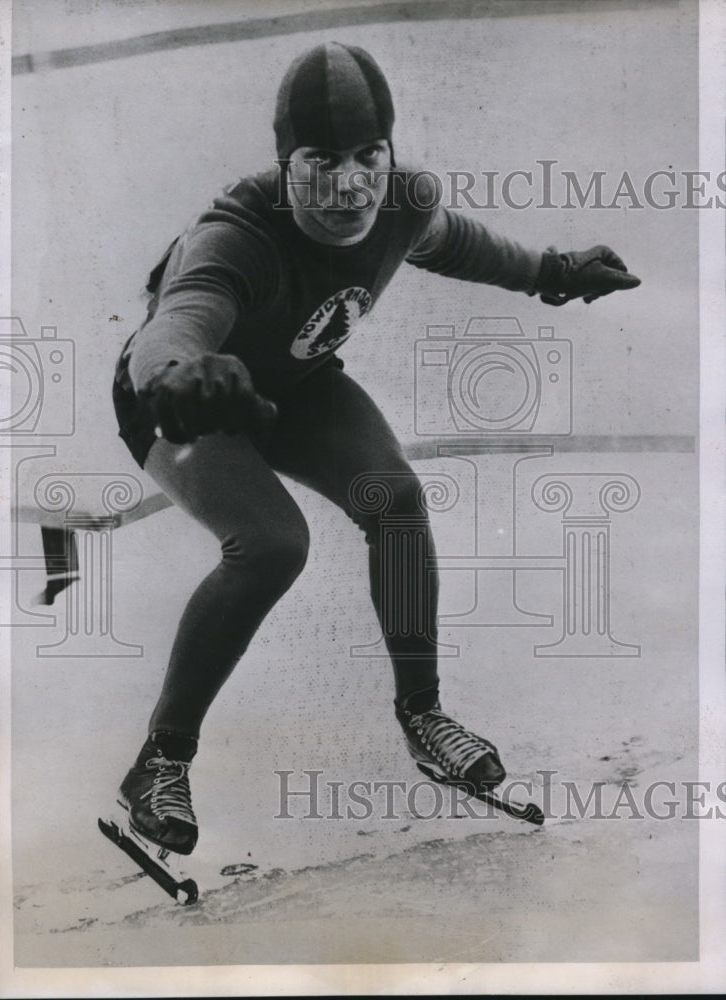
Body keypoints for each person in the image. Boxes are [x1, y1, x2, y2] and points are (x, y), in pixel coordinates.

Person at [112, 42, 640, 855]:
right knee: (271, 545)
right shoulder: (237, 235)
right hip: (186, 400)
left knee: (392, 498)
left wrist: (553, 271)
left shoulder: (401, 200)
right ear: (285, 164)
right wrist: (177, 377)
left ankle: (422, 715)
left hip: (293, 381)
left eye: (368, 157)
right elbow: (181, 314)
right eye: (322, 161)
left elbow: (456, 241)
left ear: (389, 154)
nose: (351, 184)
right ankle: (159, 760)